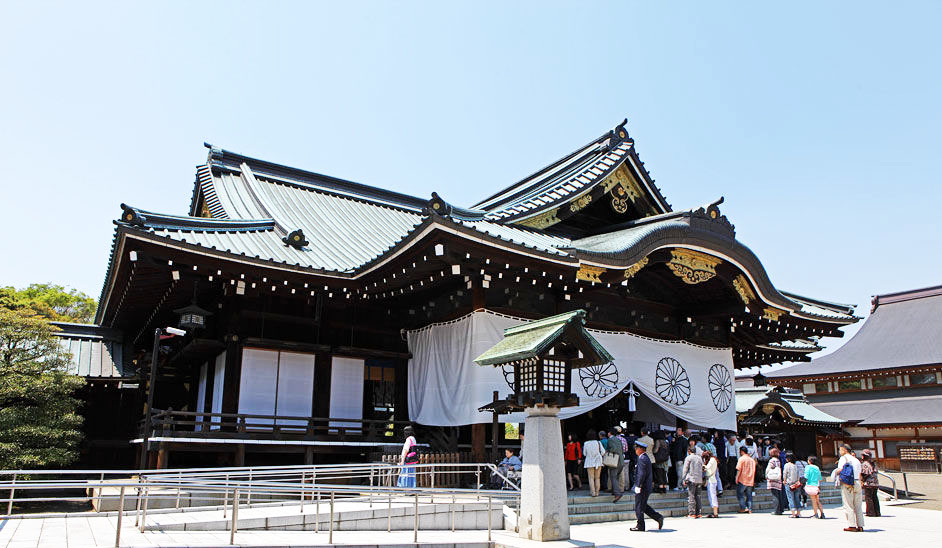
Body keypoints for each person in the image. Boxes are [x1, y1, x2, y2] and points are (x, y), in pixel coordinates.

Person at [629, 441, 665, 532]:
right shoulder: (644, 457)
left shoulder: (642, 459)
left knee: (639, 506)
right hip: (645, 486)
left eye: (637, 448)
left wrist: (639, 485)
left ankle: (640, 525)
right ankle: (658, 517)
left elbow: (641, 474)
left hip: (643, 487)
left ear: (641, 449)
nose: (636, 450)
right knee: (643, 506)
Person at [829, 443, 864, 531]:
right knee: (858, 505)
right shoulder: (856, 460)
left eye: (840, 450)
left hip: (847, 483)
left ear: (844, 450)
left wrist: (835, 473)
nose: (840, 452)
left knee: (848, 504)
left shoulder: (843, 458)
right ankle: (860, 525)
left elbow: (841, 470)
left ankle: (851, 525)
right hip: (857, 482)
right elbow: (860, 473)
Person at [682, 445, 703, 518]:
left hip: (691, 479)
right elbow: (703, 467)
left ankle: (691, 513)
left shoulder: (688, 458)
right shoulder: (700, 458)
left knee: (691, 496)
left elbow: (685, 469)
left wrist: (683, 478)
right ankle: (699, 512)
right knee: (698, 496)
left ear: (689, 451)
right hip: (699, 479)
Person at [583, 430, 604, 497]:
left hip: (589, 462)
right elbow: (603, 452)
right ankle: (597, 492)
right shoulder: (598, 442)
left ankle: (593, 492)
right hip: (598, 462)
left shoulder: (586, 443)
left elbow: (584, 453)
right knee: (597, 478)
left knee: (591, 478)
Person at [735, 445, 756, 513]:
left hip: (743, 479)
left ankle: (743, 507)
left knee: (740, 494)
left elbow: (738, 469)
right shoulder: (751, 460)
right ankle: (750, 509)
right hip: (750, 479)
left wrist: (736, 477)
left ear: (741, 451)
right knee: (749, 495)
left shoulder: (741, 459)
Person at [860, 450, 881, 517]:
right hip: (875, 482)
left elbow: (865, 474)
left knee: (869, 498)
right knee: (875, 497)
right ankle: (877, 512)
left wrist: (862, 481)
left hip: (868, 483)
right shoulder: (873, 463)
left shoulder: (865, 464)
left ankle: (870, 512)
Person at [606, 429, 626, 502]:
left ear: (610, 433)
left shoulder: (610, 440)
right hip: (621, 461)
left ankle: (617, 494)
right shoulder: (618, 439)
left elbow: (613, 448)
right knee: (616, 477)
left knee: (613, 477)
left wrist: (607, 452)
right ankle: (614, 491)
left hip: (614, 461)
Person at [783, 452, 802, 518]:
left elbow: (785, 474)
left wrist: (784, 480)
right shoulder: (795, 465)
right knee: (797, 498)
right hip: (796, 484)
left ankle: (793, 513)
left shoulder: (786, 465)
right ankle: (798, 513)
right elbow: (798, 475)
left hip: (789, 484)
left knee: (790, 498)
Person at [766, 448, 784, 515]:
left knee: (775, 495)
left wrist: (766, 476)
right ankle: (780, 509)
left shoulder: (771, 461)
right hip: (778, 478)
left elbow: (768, 469)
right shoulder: (778, 460)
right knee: (779, 494)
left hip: (773, 479)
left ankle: (776, 510)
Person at [702, 451, 719, 517]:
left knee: (712, 496)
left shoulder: (712, 460)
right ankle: (715, 512)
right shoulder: (713, 460)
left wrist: (702, 465)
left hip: (711, 480)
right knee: (711, 496)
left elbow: (706, 468)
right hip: (711, 479)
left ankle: (715, 513)